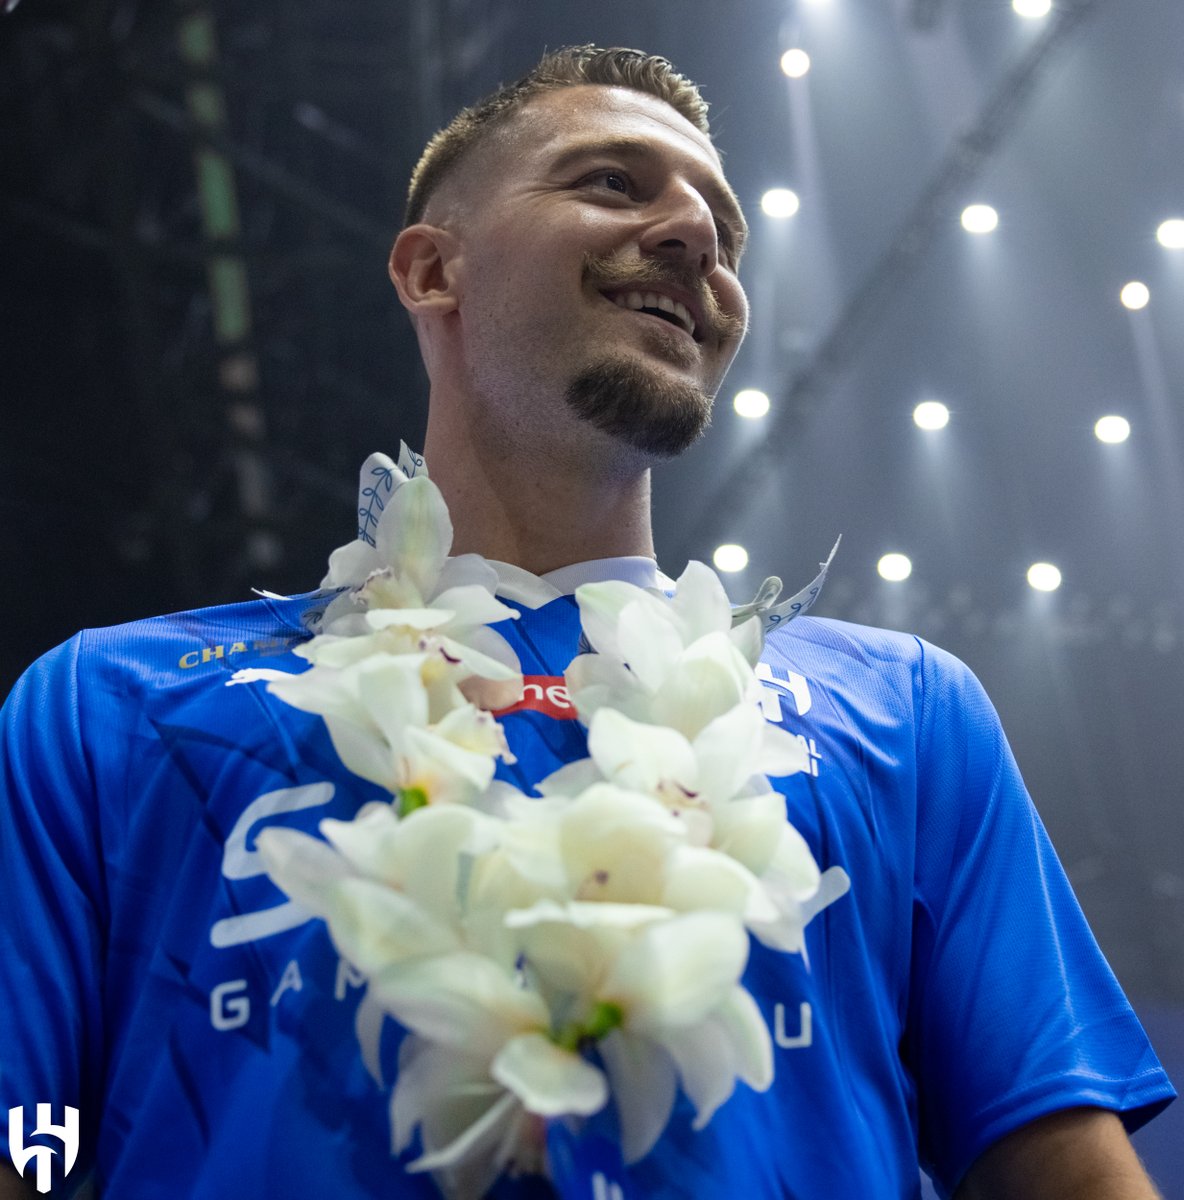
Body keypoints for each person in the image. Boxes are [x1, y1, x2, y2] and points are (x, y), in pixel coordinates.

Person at [0, 44, 1174, 1200]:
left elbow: (1060, 1169)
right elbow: (24, 1142)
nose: (695, 236)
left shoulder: (906, 711)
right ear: (430, 273)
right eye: (610, 183)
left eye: (719, 219)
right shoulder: (113, 705)